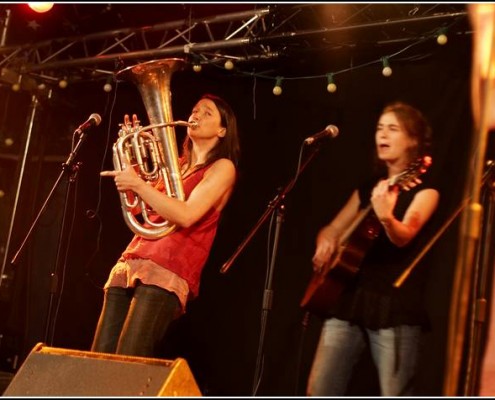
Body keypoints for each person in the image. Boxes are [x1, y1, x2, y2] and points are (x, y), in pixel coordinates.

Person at [306, 102, 440, 396]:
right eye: (380, 128)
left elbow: (403, 236)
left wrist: (386, 217)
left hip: (393, 305)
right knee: (320, 390)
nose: (383, 134)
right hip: (349, 296)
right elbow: (332, 228)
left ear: (413, 140)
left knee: (396, 392)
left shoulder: (424, 190)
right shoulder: (370, 187)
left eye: (393, 129)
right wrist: (325, 241)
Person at [91, 93, 240, 357]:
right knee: (99, 358)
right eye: (195, 110)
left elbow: (186, 215)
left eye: (207, 113)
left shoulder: (222, 167)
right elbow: (140, 210)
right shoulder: (177, 166)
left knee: (128, 362)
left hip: (167, 270)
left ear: (222, 130)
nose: (196, 115)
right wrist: (132, 167)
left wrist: (137, 184)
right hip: (131, 262)